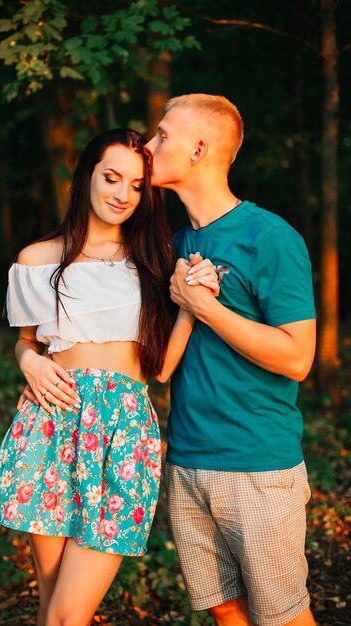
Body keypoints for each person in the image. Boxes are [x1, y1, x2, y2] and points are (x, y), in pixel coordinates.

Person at [0, 128, 218, 626]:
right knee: (50, 601)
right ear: (86, 174)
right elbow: (28, 342)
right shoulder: (36, 260)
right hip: (49, 425)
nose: (122, 195)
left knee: (67, 613)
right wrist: (28, 361)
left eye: (137, 186)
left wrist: (194, 309)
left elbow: (160, 370)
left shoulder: (153, 263)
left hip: (124, 434)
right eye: (112, 178)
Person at [145, 94, 317, 626]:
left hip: (257, 465)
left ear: (198, 149)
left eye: (161, 136)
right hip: (189, 460)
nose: (148, 147)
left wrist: (204, 307)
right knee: (225, 609)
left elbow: (297, 359)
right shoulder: (173, 243)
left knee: (281, 617)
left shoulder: (269, 238)